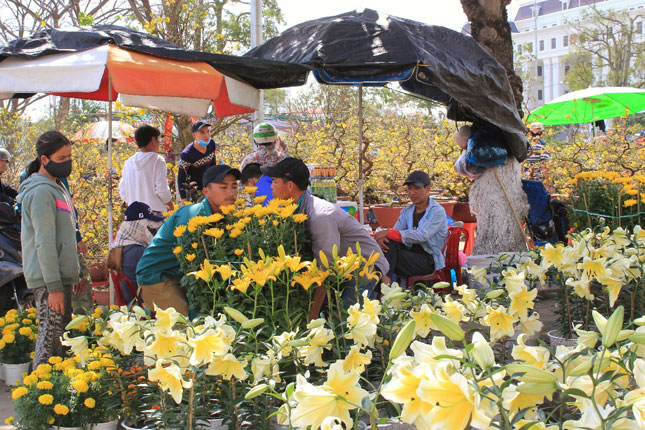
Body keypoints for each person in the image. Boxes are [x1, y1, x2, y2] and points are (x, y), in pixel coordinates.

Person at [261, 157, 388, 306]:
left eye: (275, 181)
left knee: (346, 317)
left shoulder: (320, 216)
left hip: (366, 265)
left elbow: (325, 267)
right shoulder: (295, 209)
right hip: (343, 268)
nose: (271, 187)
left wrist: (313, 314)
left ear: (290, 186)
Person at [17, 131, 84, 365]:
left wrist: (74, 273)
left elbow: (64, 236)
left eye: (69, 157)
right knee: (49, 345)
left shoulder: (56, 187)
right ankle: (38, 398)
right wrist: (54, 286)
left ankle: (56, 397)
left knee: (60, 344)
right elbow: (44, 243)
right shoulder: (41, 191)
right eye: (62, 158)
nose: (67, 163)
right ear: (44, 159)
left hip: (59, 278)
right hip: (48, 281)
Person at [136, 164, 240, 315]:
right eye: (223, 187)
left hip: (179, 276)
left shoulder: (226, 216)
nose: (231, 192)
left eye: (234, 186)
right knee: (185, 325)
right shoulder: (193, 217)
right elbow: (192, 270)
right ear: (206, 191)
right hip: (157, 278)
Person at [374, 171, 448, 283]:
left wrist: (387, 232)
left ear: (427, 189)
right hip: (409, 256)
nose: (412, 192)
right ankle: (385, 283)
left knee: (383, 255)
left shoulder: (437, 211)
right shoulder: (407, 211)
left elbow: (421, 236)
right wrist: (382, 239)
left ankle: (384, 287)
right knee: (387, 245)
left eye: (417, 188)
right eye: (409, 189)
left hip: (428, 261)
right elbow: (396, 232)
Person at [107, 201, 164, 304]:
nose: (152, 233)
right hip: (145, 305)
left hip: (132, 303)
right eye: (150, 229)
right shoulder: (140, 253)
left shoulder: (118, 249)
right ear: (140, 227)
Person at [119, 125, 173, 214]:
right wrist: (170, 205)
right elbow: (161, 189)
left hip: (135, 213)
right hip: (154, 212)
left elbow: (123, 189)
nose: (160, 142)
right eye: (158, 139)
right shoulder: (157, 160)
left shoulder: (129, 162)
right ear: (153, 140)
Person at [178, 120, 218, 203]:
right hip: (194, 192)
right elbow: (181, 177)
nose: (206, 135)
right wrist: (184, 199)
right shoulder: (187, 154)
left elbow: (213, 166)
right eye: (202, 132)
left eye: (208, 131)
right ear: (194, 135)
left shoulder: (211, 144)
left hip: (209, 188)